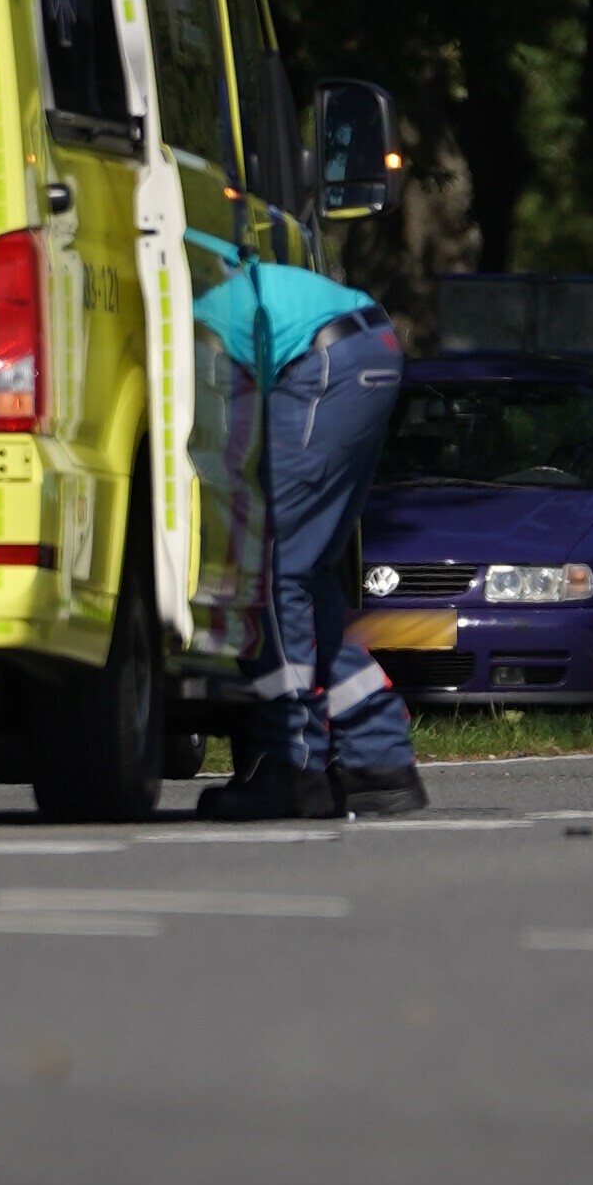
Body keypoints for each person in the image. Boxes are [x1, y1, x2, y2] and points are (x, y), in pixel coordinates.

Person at [186, 235, 432, 820]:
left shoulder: (188, 331)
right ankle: (379, 761)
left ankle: (293, 767)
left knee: (272, 572)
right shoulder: (213, 286)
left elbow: (222, 450)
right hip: (365, 345)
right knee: (308, 574)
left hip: (327, 361)